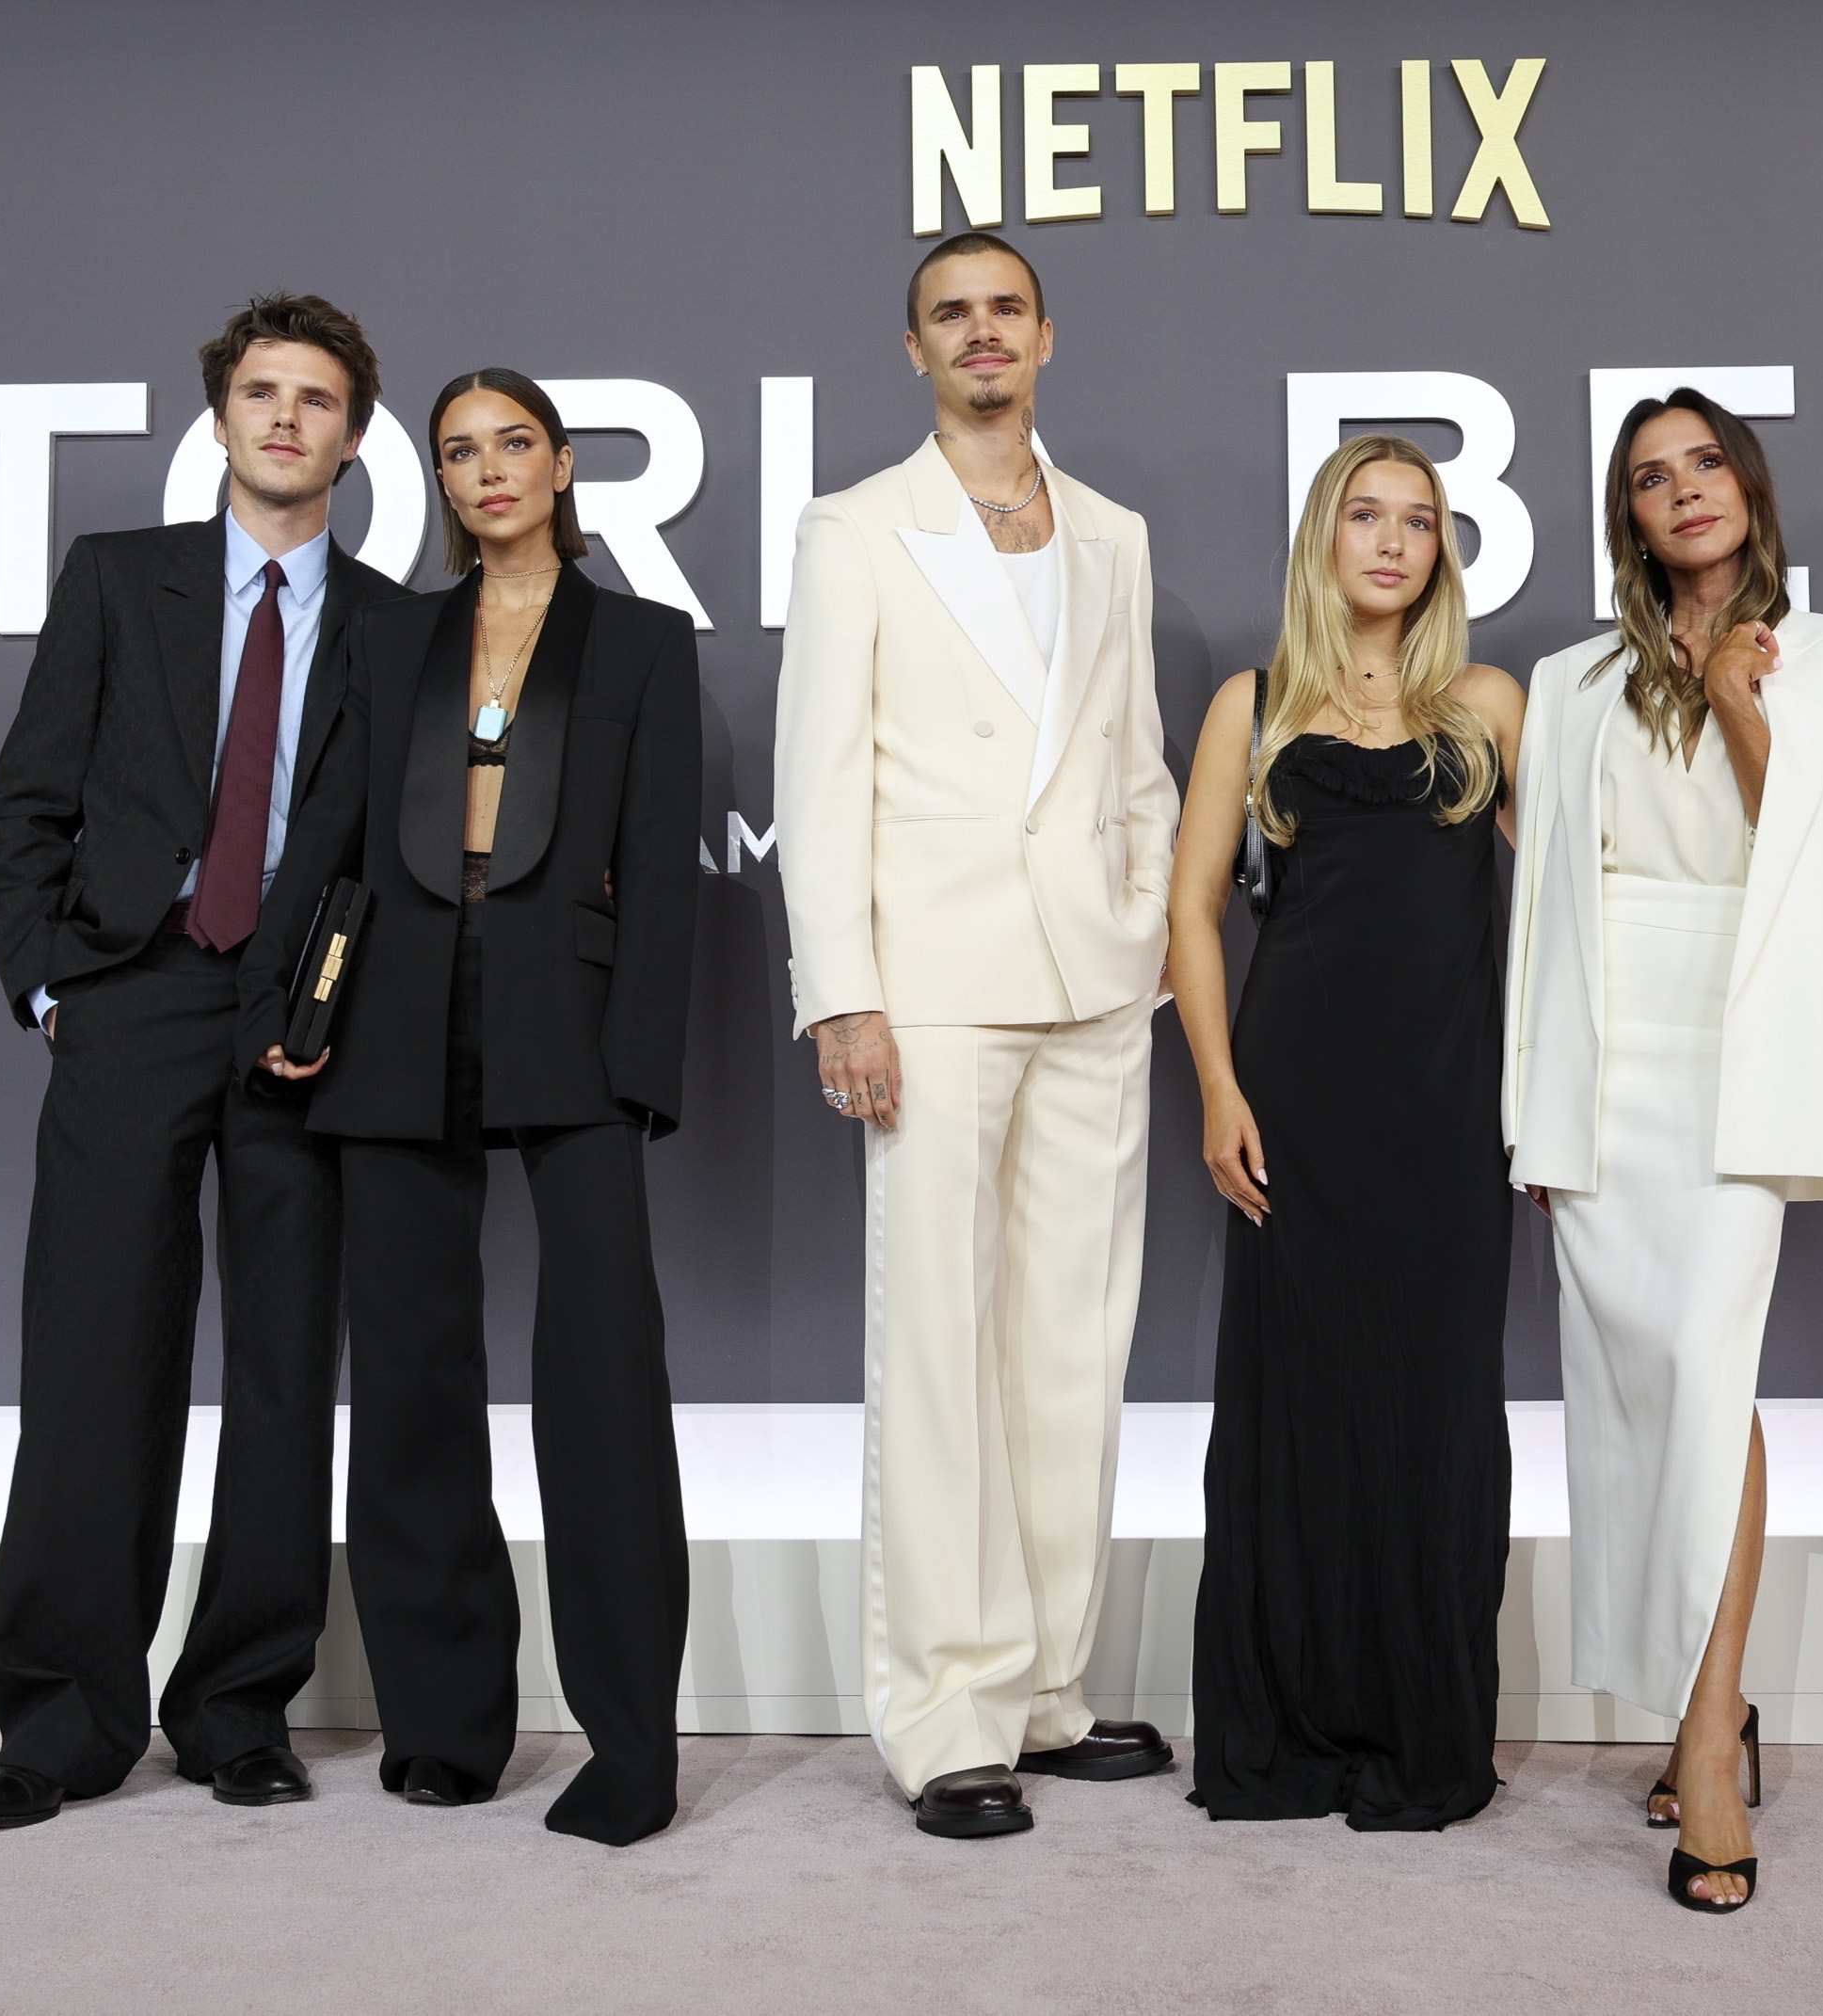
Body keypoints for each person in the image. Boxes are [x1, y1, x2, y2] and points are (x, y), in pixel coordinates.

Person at [1504, 391, 1823, 1910]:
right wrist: (1531, 1098)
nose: (1683, 490)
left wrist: (1735, 692)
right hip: (1604, 1053)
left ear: (1751, 489)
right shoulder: (1567, 683)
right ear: (1626, 515)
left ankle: (1706, 1739)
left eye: (1705, 463)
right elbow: (1545, 910)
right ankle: (1715, 1700)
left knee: (1706, 1369)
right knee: (1637, 1385)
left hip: (1739, 1041)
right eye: (1650, 477)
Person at [0, 295, 407, 1831]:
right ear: (222, 418)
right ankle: (60, 1724)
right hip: (130, 995)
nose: (288, 418)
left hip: (300, 1024)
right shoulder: (115, 579)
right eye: (264, 393)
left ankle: (237, 1710)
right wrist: (48, 989)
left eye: (319, 399)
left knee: (284, 1372)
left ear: (354, 436)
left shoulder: (391, 620)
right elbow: (28, 805)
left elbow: (392, 861)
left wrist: (337, 1002)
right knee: (93, 1362)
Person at [244, 368, 702, 1847]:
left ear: (563, 466)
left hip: (566, 1012)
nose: (490, 470)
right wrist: (292, 1009)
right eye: (460, 452)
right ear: (437, 480)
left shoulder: (639, 641)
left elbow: (662, 867)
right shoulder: (392, 633)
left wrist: (640, 1067)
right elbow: (332, 834)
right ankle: (445, 1728)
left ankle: (632, 1745)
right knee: (414, 1381)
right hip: (389, 1011)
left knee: (602, 1383)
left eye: (515, 444)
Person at [774, 232, 1180, 1839]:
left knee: (1074, 1341)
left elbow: (1137, 758)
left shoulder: (1116, 535)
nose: (983, 332)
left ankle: (1047, 1689)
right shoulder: (855, 529)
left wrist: (1144, 927)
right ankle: (946, 1711)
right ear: (915, 350)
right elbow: (817, 778)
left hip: (1097, 982)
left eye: (1005, 308)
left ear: (1047, 336)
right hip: (930, 988)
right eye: (953, 313)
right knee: (938, 1345)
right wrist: (843, 988)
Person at [1172, 437, 1525, 1832]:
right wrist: (1216, 1084)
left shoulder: (1490, 702)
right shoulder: (1250, 705)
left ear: (1443, 548)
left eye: (1420, 521)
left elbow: (1566, 914)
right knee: (1294, 1407)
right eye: (1366, 515)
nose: (1392, 541)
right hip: (1295, 1099)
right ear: (1324, 535)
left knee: (1439, 1412)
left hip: (1448, 1112)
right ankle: (1285, 1734)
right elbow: (1194, 909)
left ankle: (1421, 1729)